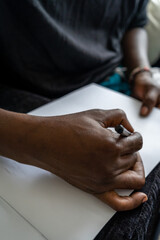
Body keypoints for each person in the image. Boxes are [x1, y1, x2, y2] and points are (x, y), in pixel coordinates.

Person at [0, 0, 160, 211]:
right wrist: (42, 143)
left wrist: (141, 71)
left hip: (115, 79)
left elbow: (135, 20)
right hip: (23, 94)